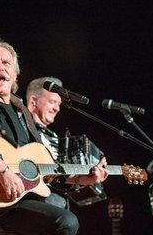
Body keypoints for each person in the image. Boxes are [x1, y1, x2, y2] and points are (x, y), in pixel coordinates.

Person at [0, 40, 109, 234]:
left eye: (6, 63)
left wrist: (85, 179)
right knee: (66, 222)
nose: (0, 67)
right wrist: (3, 170)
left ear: (15, 73)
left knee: (64, 215)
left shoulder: (23, 113)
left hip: (27, 205)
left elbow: (48, 173)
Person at [25, 76, 108, 209]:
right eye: (52, 102)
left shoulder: (55, 138)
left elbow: (58, 178)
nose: (57, 108)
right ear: (34, 101)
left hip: (56, 202)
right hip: (30, 197)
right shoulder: (20, 127)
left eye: (59, 104)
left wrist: (85, 178)